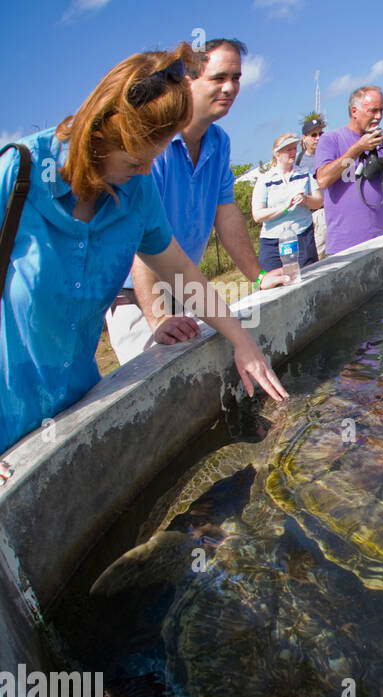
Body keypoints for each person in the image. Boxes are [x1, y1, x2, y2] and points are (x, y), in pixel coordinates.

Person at [1, 45, 285, 453]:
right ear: (99, 134)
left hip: (76, 408)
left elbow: (183, 275)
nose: (147, 172)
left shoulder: (137, 191)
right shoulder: (18, 177)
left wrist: (243, 342)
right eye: (135, 162)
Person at [106, 38, 287, 365]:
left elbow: (226, 212)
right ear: (187, 79)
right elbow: (142, 239)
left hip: (184, 286)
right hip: (137, 295)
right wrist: (159, 318)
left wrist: (258, 277)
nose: (230, 88)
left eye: (236, 78)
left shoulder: (219, 143)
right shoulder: (155, 147)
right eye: (219, 78)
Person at [313, 85, 383, 255]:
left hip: (382, 243)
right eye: (373, 111)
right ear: (354, 111)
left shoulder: (380, 142)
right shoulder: (331, 139)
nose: (379, 116)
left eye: (382, 110)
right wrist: (358, 148)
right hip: (345, 248)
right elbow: (323, 179)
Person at [252, 132, 322, 270]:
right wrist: (284, 207)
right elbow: (257, 215)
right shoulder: (265, 180)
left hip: (302, 236)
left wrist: (306, 199)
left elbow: (319, 201)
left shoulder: (305, 174)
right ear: (277, 154)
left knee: (308, 277)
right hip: (272, 241)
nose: (293, 152)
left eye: (294, 148)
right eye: (288, 149)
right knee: (273, 284)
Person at [296, 114, 327, 256]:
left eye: (321, 133)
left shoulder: (330, 154)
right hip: (307, 216)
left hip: (326, 211)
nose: (318, 138)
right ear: (304, 138)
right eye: (313, 135)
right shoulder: (299, 160)